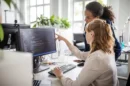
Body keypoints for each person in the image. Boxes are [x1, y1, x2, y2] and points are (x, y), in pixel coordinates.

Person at [53, 19, 119, 86]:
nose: (84, 35)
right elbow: (80, 54)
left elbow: (76, 85)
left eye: (86, 32)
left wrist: (60, 76)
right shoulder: (106, 52)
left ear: (91, 34)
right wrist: (64, 39)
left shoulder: (97, 58)